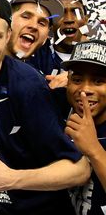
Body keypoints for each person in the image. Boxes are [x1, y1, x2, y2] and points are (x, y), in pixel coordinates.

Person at [0, 0, 89, 214]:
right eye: (26, 16)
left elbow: (78, 170)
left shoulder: (29, 85)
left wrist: (12, 179)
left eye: (43, 22)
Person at [65, 40, 106, 215]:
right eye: (77, 79)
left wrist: (94, 149)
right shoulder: (57, 111)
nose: (84, 90)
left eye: (98, 81)